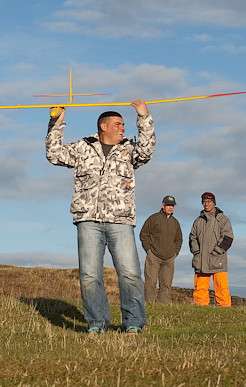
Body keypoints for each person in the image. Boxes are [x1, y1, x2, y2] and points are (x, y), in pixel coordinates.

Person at [45, 100, 155, 334]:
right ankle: (97, 323)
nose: (123, 128)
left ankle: (133, 322)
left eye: (124, 124)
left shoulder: (129, 150)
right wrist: (57, 122)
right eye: (118, 124)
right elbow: (54, 155)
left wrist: (143, 116)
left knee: (130, 274)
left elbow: (147, 150)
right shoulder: (83, 147)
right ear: (103, 126)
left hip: (121, 220)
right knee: (89, 276)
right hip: (88, 219)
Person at [189, 192, 234, 307]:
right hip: (201, 260)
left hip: (218, 259)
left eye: (209, 201)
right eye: (204, 201)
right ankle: (200, 307)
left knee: (221, 287)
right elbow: (192, 237)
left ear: (214, 203)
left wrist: (217, 252)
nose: (206, 204)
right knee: (200, 287)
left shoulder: (223, 220)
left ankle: (224, 308)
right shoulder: (198, 221)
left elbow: (228, 238)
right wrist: (196, 252)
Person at [139, 195, 183, 303]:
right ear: (163, 205)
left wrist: (175, 253)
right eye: (168, 205)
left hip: (169, 258)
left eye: (172, 205)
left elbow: (179, 239)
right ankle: (149, 304)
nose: (170, 207)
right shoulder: (153, 218)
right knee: (151, 282)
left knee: (166, 283)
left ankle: (163, 306)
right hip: (153, 256)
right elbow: (143, 234)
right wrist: (148, 250)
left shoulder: (175, 223)